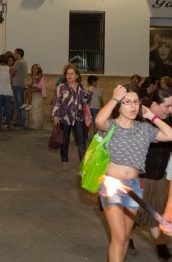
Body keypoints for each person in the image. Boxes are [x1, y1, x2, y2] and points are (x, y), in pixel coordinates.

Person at [96, 85, 172, 262]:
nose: (132, 106)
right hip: (112, 186)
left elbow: (170, 135)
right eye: (127, 102)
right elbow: (99, 121)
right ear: (119, 106)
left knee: (125, 238)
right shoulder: (111, 126)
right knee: (119, 237)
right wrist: (114, 98)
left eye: (135, 102)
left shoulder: (144, 129)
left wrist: (151, 116)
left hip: (134, 188)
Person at [137, 90, 172, 261]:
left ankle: (161, 245)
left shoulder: (169, 121)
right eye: (167, 106)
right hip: (142, 178)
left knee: (159, 213)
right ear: (154, 105)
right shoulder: (139, 120)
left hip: (161, 178)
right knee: (133, 214)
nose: (170, 110)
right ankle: (126, 239)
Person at [51, 64, 92, 171]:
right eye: (68, 73)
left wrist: (89, 92)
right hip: (64, 118)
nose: (69, 75)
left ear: (77, 75)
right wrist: (55, 115)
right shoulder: (61, 87)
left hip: (78, 118)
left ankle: (84, 163)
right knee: (64, 140)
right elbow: (57, 102)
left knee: (81, 141)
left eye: (72, 73)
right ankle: (65, 161)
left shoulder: (81, 88)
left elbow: (85, 101)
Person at [10, 48, 28, 128]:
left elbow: (12, 72)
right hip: (20, 84)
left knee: (19, 104)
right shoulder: (23, 62)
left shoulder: (19, 62)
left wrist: (12, 71)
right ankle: (20, 121)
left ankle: (20, 122)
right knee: (19, 104)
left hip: (18, 85)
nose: (14, 54)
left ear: (18, 54)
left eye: (15, 53)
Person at [0, 54, 13, 130]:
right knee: (7, 107)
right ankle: (8, 124)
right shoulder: (10, 69)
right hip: (8, 89)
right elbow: (11, 80)